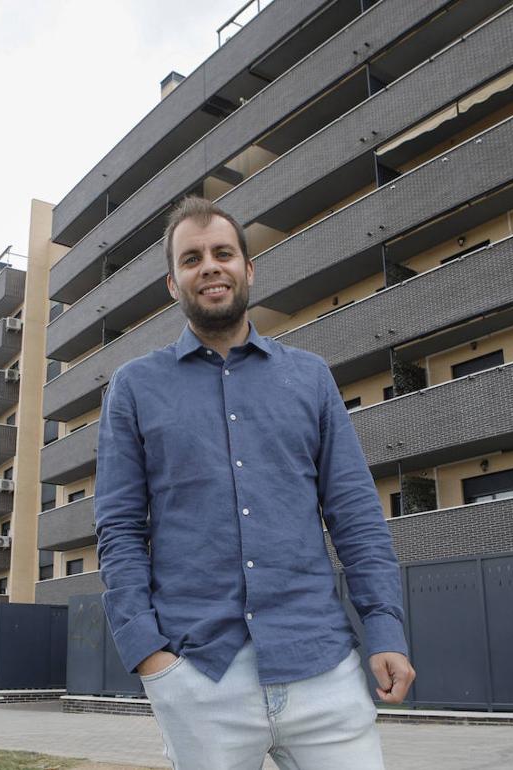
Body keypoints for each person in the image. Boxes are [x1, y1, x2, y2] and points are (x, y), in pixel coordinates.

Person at [95, 196, 415, 769]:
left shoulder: (310, 378)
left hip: (323, 668)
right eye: (192, 259)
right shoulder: (134, 387)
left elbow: (355, 516)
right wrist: (148, 655)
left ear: (249, 268)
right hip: (200, 676)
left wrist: (386, 630)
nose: (210, 266)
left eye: (224, 253)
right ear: (174, 283)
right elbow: (118, 529)